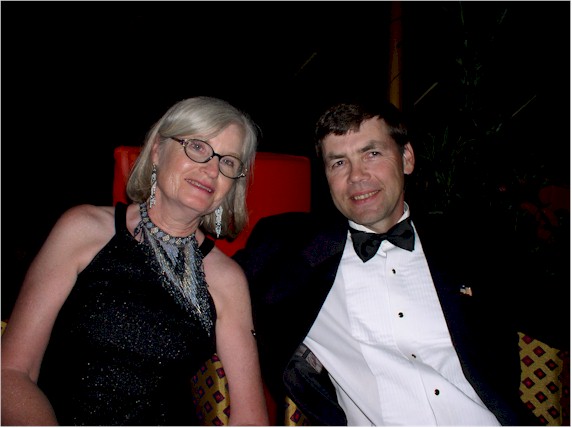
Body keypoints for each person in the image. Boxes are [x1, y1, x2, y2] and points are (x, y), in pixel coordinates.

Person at [233, 99, 541, 426]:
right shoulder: (288, 251)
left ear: (406, 158)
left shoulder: (471, 245)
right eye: (339, 162)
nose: (356, 176)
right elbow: (213, 286)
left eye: (372, 154)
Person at [1, 96, 270, 426]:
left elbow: (251, 418)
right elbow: (11, 372)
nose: (212, 169)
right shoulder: (82, 230)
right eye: (197, 147)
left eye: (227, 161)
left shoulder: (227, 279)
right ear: (157, 150)